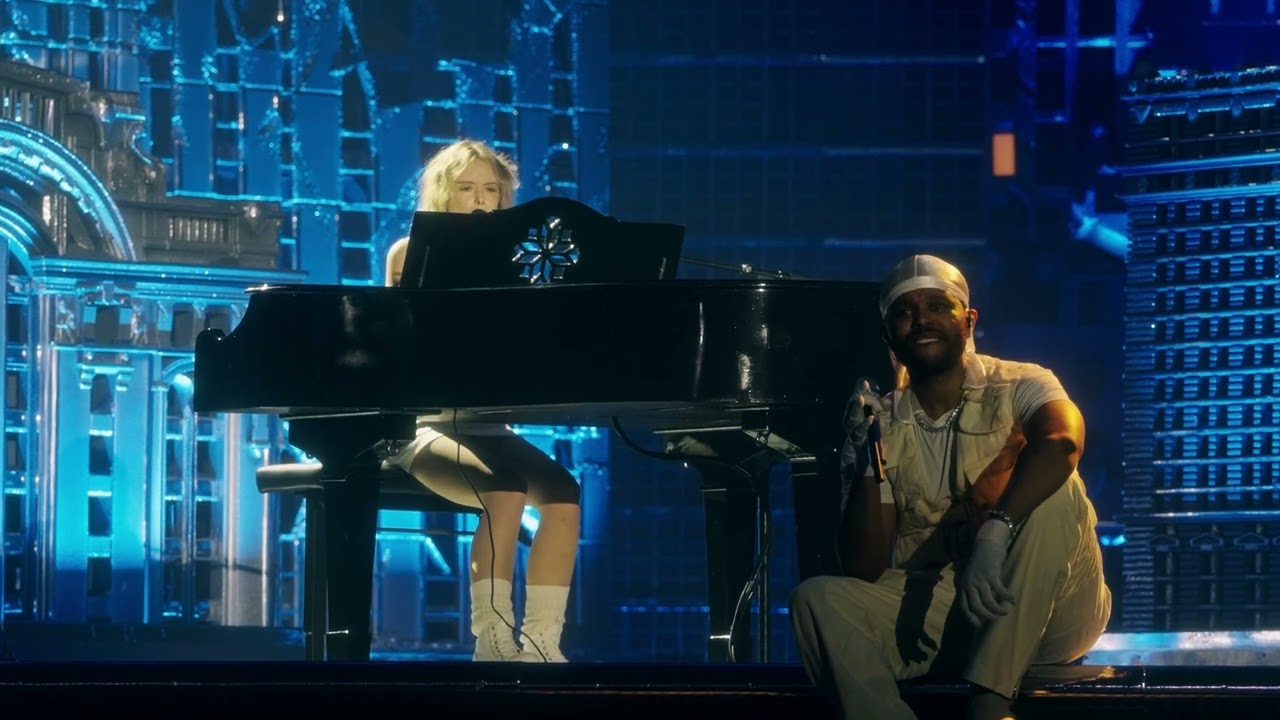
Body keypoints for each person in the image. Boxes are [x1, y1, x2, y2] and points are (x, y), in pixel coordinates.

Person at [789, 255, 1111, 720]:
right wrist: (868, 453)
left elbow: (1062, 443)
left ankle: (990, 702)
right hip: (950, 612)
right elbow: (863, 566)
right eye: (904, 312)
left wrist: (995, 533)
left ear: (968, 320)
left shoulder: (1023, 383)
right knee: (815, 599)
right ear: (888, 335)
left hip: (1050, 609)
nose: (921, 320)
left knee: (1057, 491)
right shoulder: (879, 419)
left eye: (938, 306)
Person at [383, 140, 581, 663]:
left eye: (491, 190)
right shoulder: (408, 253)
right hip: (423, 425)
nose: (479, 200)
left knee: (564, 492)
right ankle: (491, 639)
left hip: (489, 426)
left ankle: (542, 643)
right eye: (466, 188)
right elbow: (398, 347)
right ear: (443, 194)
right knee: (505, 486)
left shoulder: (525, 261)